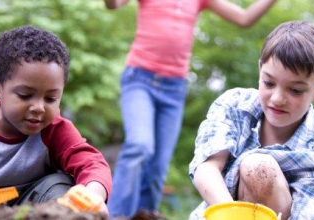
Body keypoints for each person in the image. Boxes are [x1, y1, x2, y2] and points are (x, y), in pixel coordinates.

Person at [103, 0, 279, 217]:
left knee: (158, 166)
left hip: (174, 89)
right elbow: (114, 4)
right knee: (140, 146)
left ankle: (145, 215)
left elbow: (244, 18)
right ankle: (114, 215)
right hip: (139, 79)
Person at [0, 25, 112, 214]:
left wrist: (93, 195)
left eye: (50, 99)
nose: (39, 107)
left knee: (60, 184)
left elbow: (91, 163)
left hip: (33, 210)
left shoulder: (55, 129)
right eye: (25, 95)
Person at [188, 21, 314, 220]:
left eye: (295, 90)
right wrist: (231, 215)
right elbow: (207, 168)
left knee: (258, 167)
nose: (277, 98)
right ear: (260, 70)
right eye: (269, 83)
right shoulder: (235, 104)